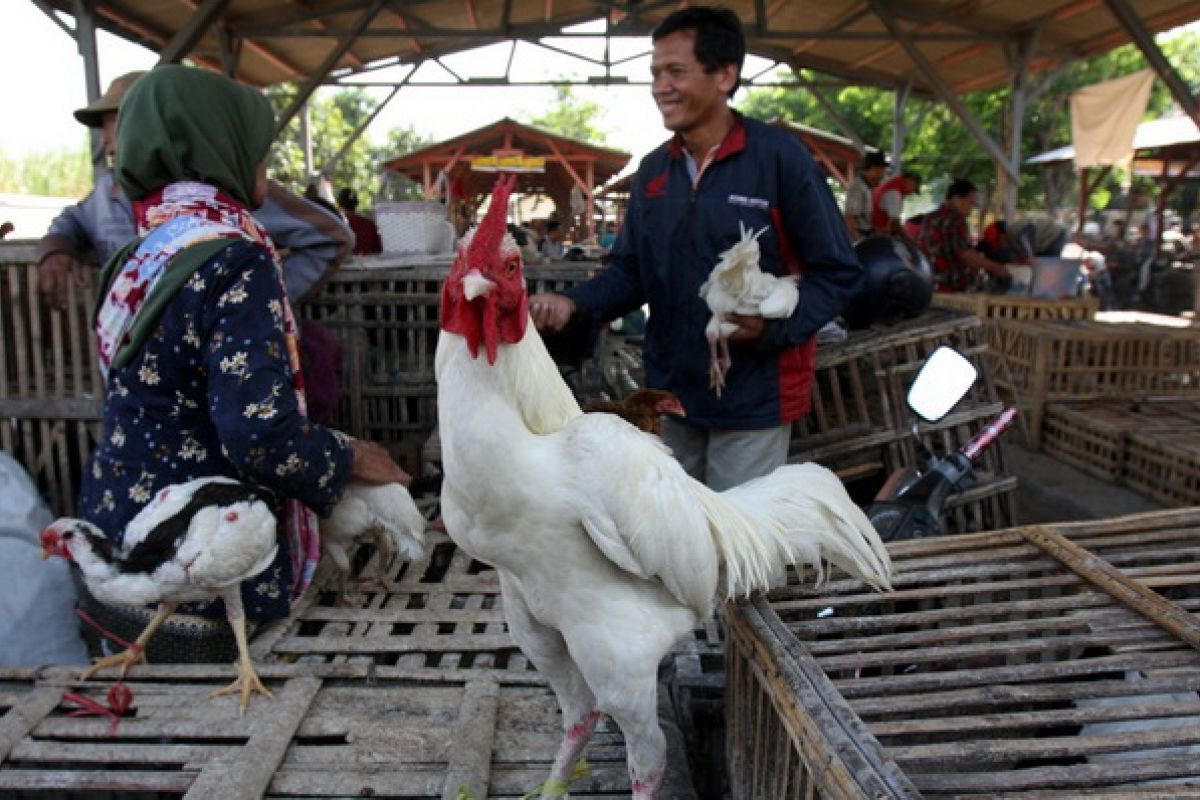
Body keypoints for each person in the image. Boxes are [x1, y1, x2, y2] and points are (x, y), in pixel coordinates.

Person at [77, 64, 408, 625]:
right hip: (199, 563)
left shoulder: (139, 255)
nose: (264, 166)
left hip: (116, 542)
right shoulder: (234, 259)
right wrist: (350, 456)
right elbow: (259, 435)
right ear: (216, 147)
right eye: (256, 151)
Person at [528, 6, 861, 491]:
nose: (660, 86)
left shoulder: (778, 159)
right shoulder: (654, 173)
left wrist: (769, 327)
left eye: (675, 71)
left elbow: (838, 273)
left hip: (753, 397)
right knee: (674, 543)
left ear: (725, 75)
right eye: (655, 73)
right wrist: (574, 304)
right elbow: (631, 272)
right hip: (671, 392)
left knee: (739, 543)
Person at [35, 71, 353, 312]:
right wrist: (55, 249)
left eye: (119, 119)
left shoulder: (228, 194)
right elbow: (73, 220)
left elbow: (332, 236)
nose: (106, 136)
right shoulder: (107, 192)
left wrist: (261, 295)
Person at [917, 178, 1011, 293]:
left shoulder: (929, 218)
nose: (972, 207)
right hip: (950, 285)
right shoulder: (955, 219)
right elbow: (965, 254)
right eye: (971, 202)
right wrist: (997, 268)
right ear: (958, 199)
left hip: (927, 282)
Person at [843, 151, 888, 242]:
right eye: (882, 170)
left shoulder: (867, 188)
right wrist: (857, 242)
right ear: (873, 168)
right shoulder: (858, 188)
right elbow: (850, 218)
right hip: (859, 238)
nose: (883, 174)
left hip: (867, 235)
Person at [871, 170, 922, 244]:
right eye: (914, 189)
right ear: (910, 182)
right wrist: (911, 241)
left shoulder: (891, 184)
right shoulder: (894, 193)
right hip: (879, 236)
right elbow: (895, 223)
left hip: (875, 232)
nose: (912, 193)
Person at [336, 186, 383, 255]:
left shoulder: (334, 224)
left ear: (339, 203)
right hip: (366, 264)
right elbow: (378, 251)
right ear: (357, 203)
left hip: (342, 264)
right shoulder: (369, 224)